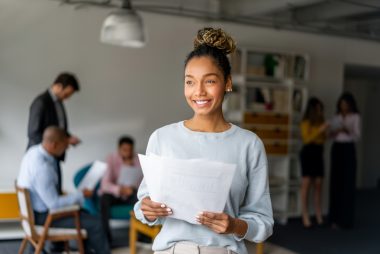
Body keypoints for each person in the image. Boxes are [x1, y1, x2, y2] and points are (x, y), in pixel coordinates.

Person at [134, 27, 273, 254]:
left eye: (209, 81)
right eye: (190, 82)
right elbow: (143, 206)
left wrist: (234, 225)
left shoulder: (249, 144)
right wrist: (148, 209)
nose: (198, 92)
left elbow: (264, 222)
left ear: (227, 83)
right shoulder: (162, 138)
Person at [17, 126, 110, 254]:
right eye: (65, 145)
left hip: (31, 214)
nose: (67, 148)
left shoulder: (32, 152)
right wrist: (80, 195)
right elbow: (54, 204)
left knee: (86, 214)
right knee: (95, 223)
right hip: (44, 217)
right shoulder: (42, 168)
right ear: (54, 145)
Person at [27, 72, 81, 195]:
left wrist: (67, 137)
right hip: (42, 158)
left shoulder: (58, 103)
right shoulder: (41, 102)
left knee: (55, 191)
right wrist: (56, 144)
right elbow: (33, 133)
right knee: (48, 197)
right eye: (66, 94)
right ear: (58, 86)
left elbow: (57, 128)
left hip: (53, 156)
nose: (67, 98)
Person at [99, 136, 142, 244]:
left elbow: (142, 181)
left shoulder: (137, 159)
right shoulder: (111, 158)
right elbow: (105, 184)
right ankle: (106, 239)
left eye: (130, 150)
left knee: (141, 198)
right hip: (114, 193)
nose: (127, 153)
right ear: (119, 149)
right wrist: (120, 189)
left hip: (131, 192)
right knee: (104, 199)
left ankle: (143, 234)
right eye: (124, 150)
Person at [329, 92, 360, 229]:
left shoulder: (355, 117)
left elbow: (357, 136)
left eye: (346, 104)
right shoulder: (336, 117)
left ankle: (346, 219)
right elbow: (330, 135)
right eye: (342, 104)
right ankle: (334, 218)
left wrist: (347, 130)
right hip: (337, 149)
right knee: (336, 183)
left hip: (348, 149)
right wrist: (334, 131)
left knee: (347, 183)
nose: (344, 107)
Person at [299, 97, 329, 228]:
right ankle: (305, 215)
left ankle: (318, 214)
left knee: (318, 184)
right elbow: (307, 139)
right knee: (306, 184)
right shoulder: (306, 122)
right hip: (308, 153)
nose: (320, 112)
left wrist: (322, 131)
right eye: (318, 109)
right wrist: (319, 130)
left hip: (318, 153)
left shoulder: (320, 121)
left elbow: (323, 139)